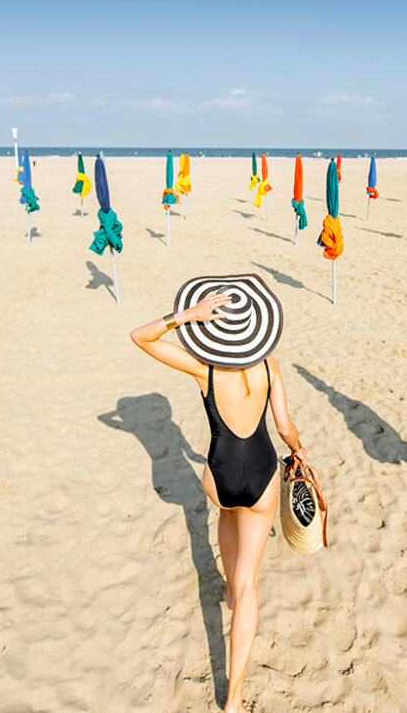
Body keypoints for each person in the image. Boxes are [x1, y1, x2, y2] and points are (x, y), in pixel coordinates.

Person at [130, 274, 305, 713]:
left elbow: (141, 336)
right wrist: (300, 451)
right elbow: (284, 427)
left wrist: (186, 315)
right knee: (250, 586)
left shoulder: (203, 368)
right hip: (263, 474)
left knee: (228, 512)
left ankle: (228, 590)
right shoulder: (270, 366)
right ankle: (234, 699)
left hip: (218, 479)